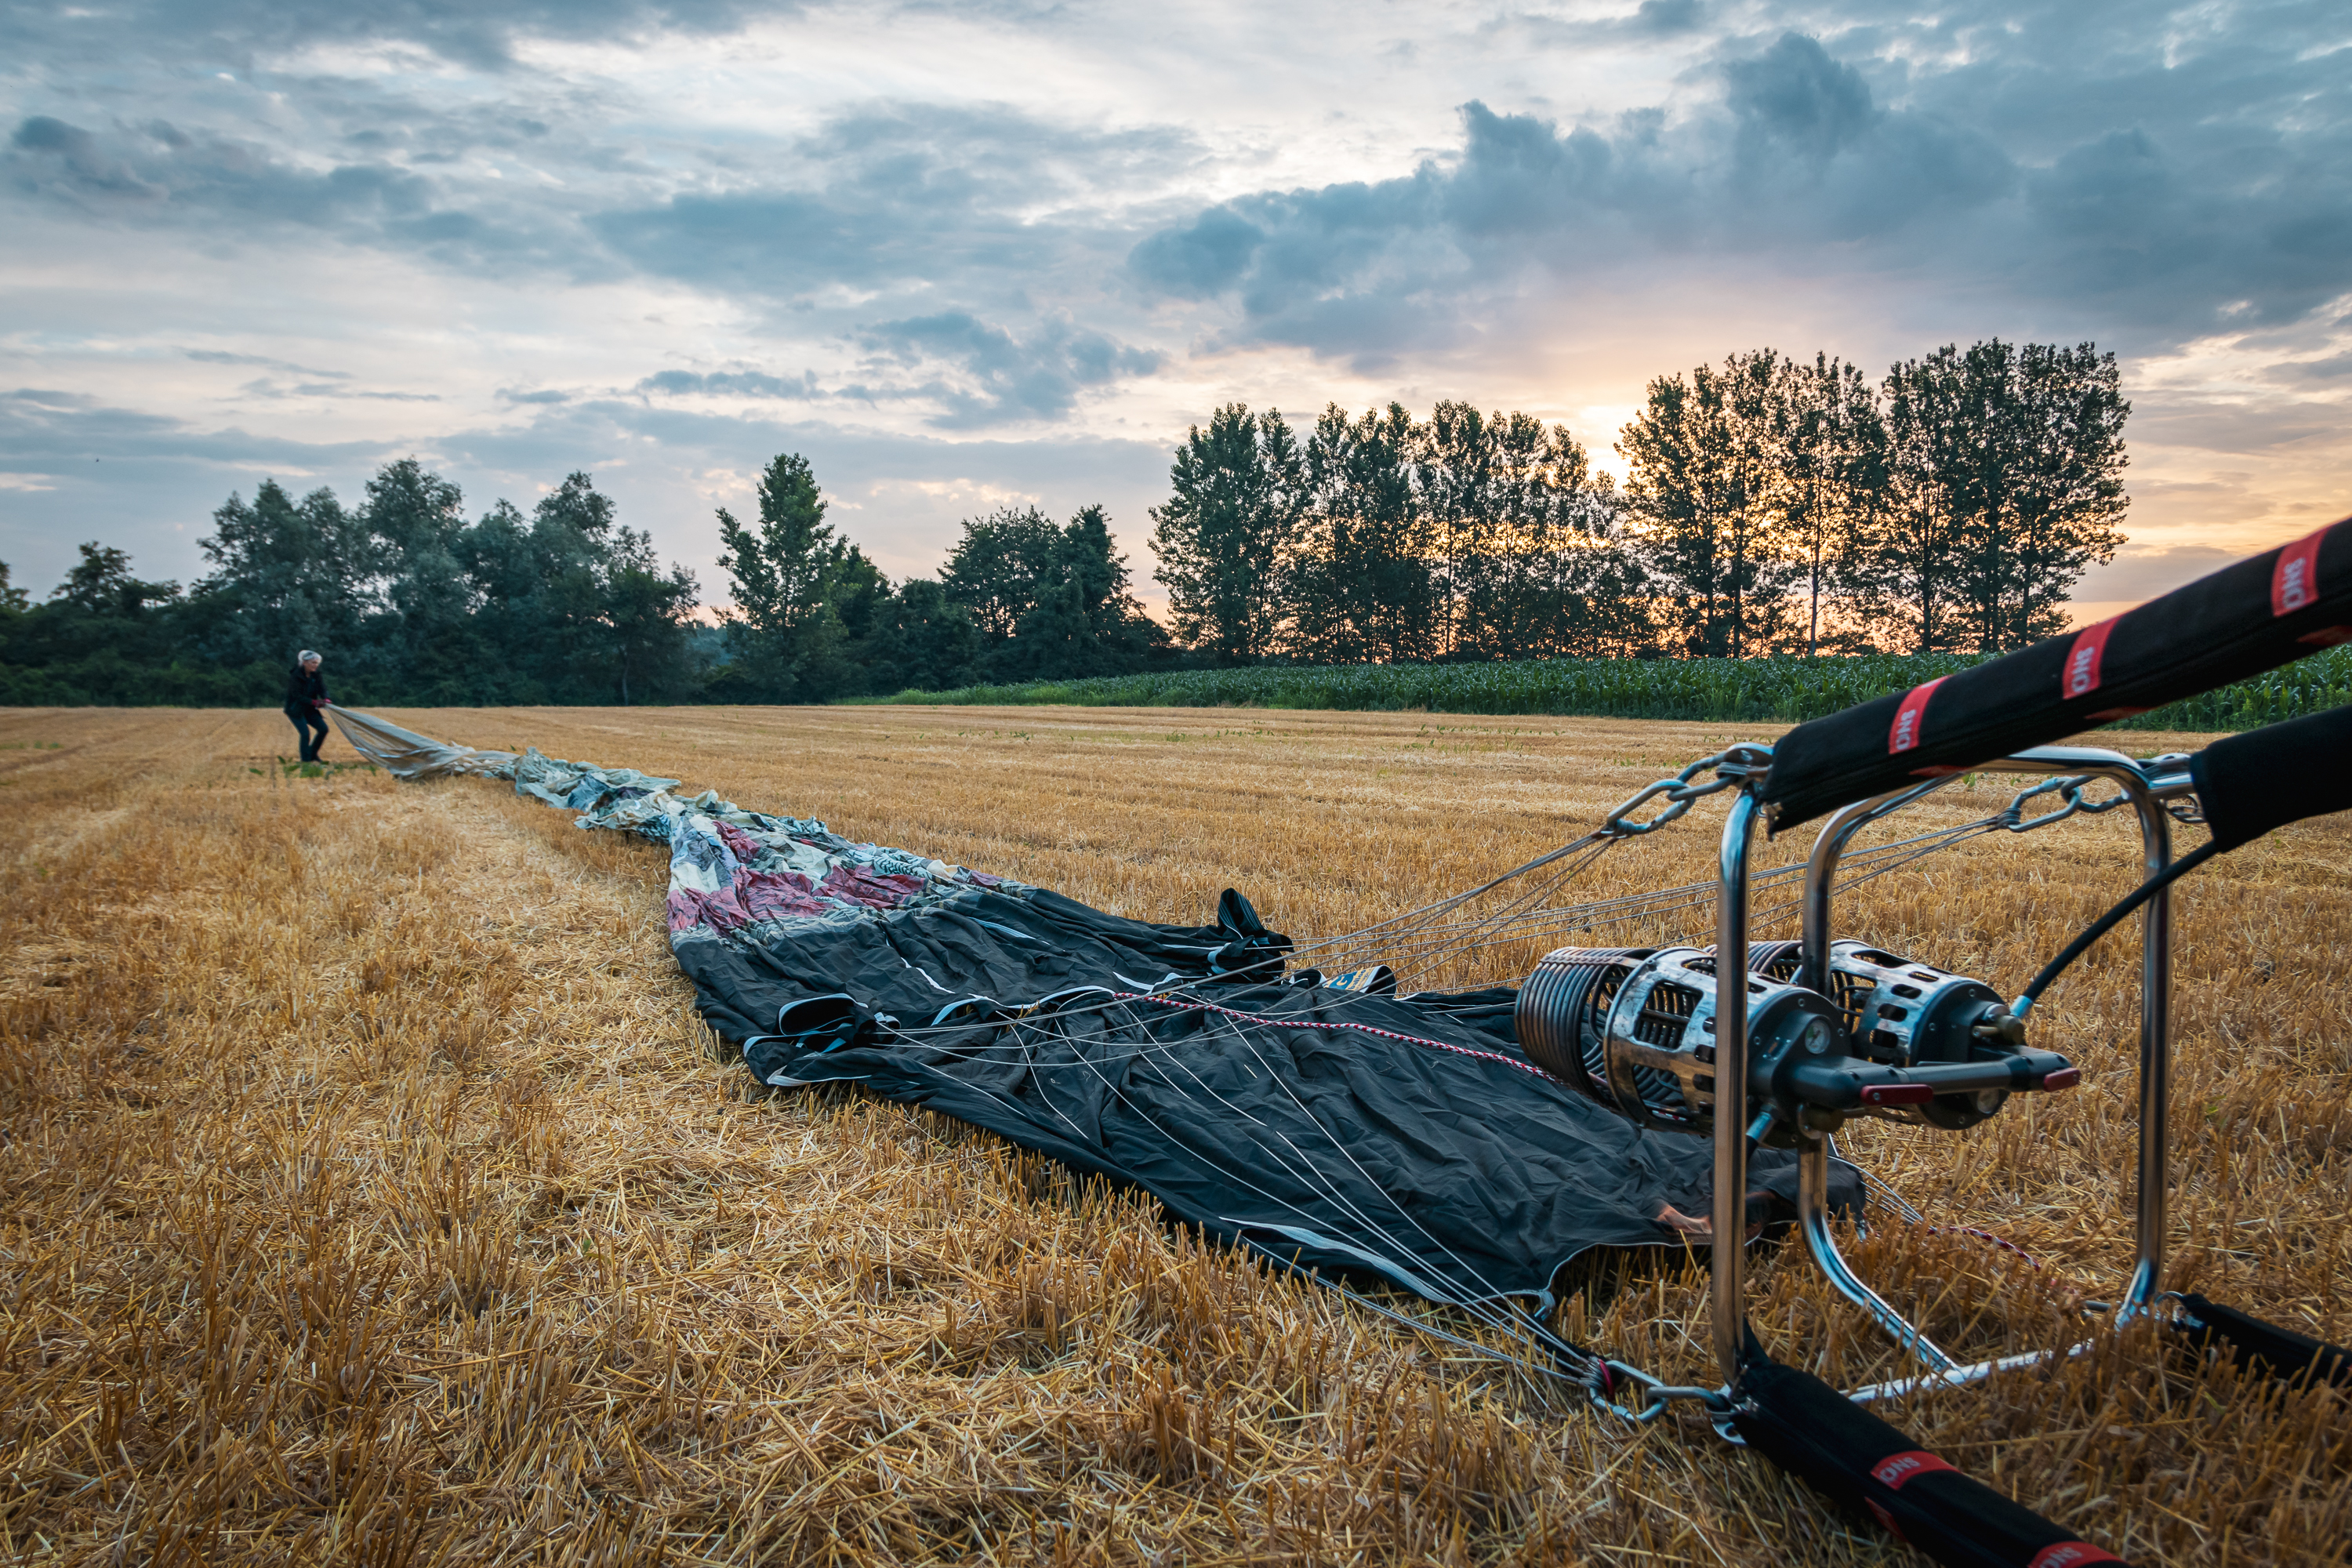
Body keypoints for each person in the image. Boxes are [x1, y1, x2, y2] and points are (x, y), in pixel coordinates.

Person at [285, 650, 332, 762]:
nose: (316, 665)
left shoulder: (316, 675)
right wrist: (314, 702)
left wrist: (326, 698)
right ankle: (306, 761)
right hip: (295, 710)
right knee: (305, 734)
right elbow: (297, 696)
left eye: (317, 663)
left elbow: (322, 688)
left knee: (323, 729)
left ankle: (312, 754)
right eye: (313, 663)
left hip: (309, 709)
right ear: (305, 663)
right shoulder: (295, 676)